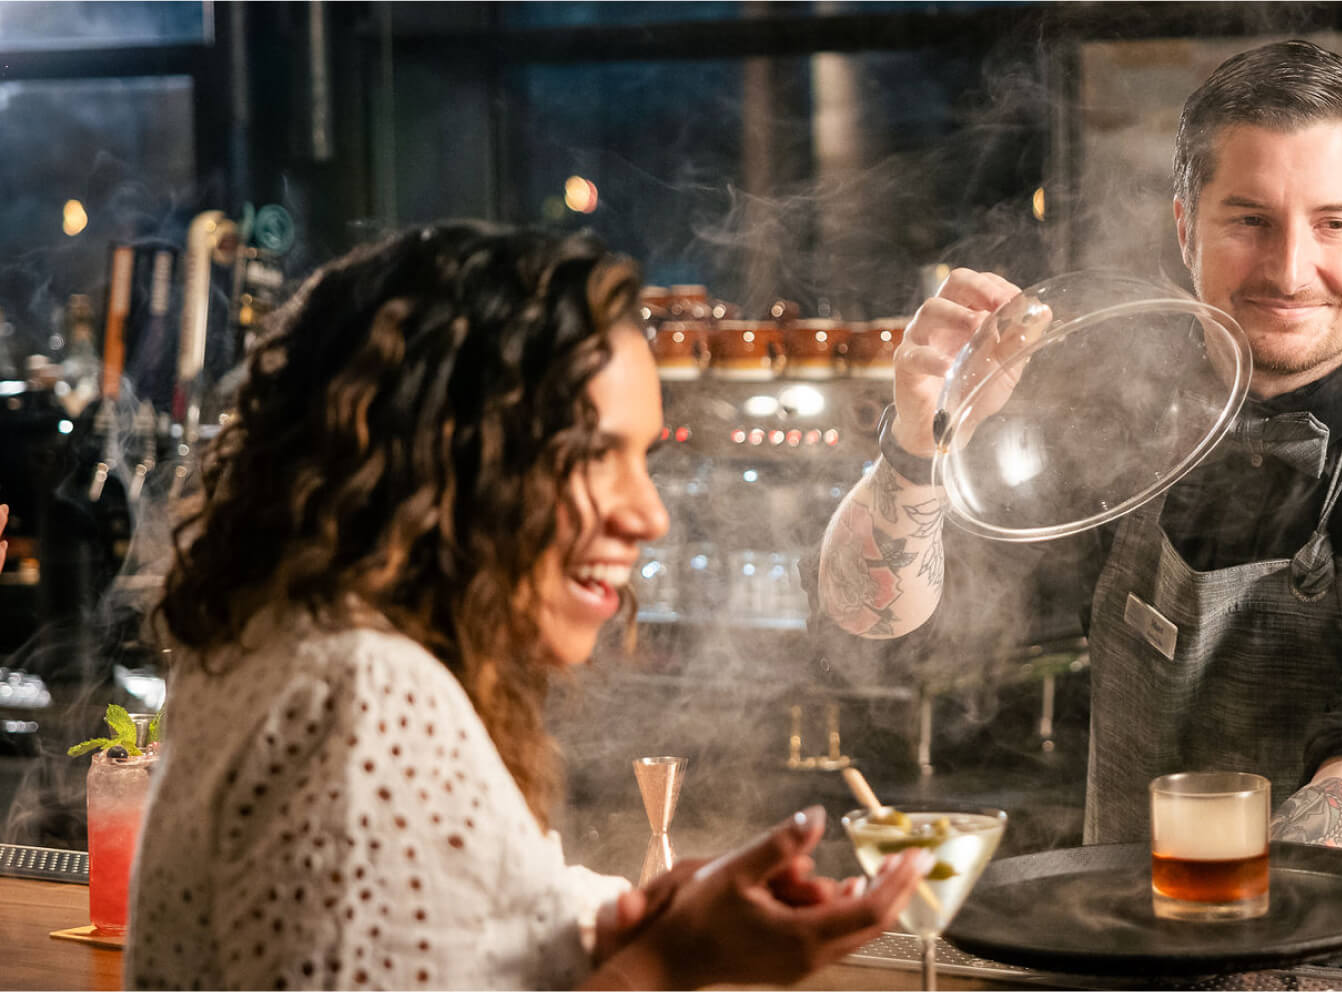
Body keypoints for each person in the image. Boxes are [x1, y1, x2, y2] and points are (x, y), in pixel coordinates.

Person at [127, 224, 930, 990]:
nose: (649, 516)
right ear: (443, 460)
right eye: (592, 455)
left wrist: (606, 932)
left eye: (642, 458)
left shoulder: (279, 635)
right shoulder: (364, 693)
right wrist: (672, 958)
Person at [813, 40, 1342, 860]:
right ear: (1184, 224)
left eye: (1333, 223)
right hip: (1123, 946)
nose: (1289, 269)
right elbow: (873, 620)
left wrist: (1206, 912)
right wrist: (919, 440)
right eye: (1249, 220)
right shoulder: (1111, 402)